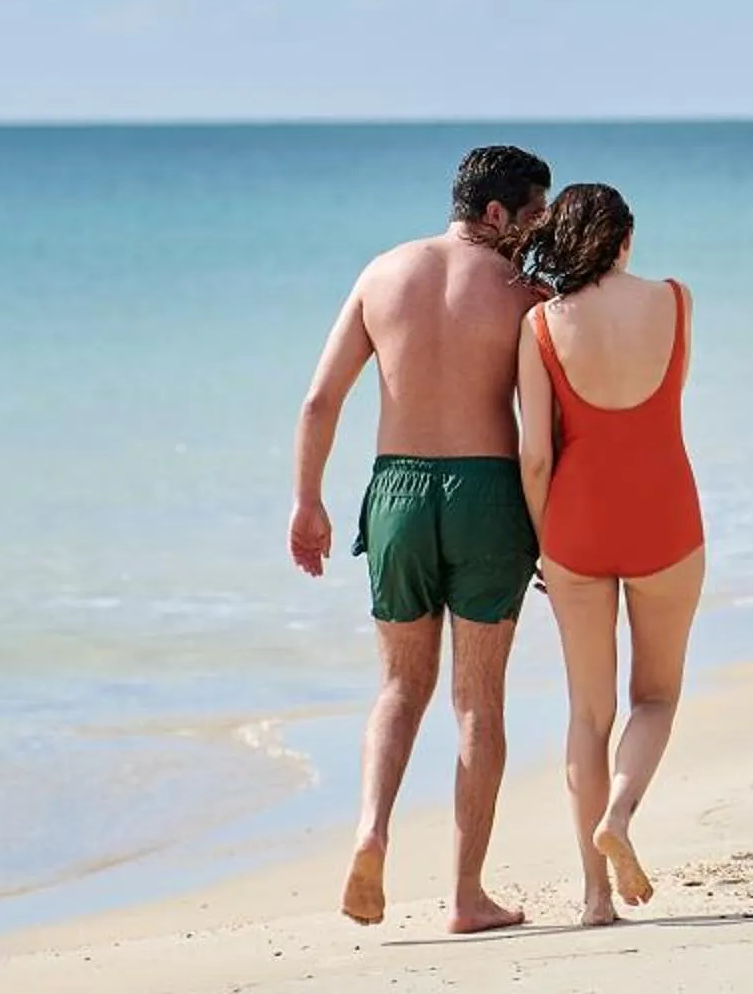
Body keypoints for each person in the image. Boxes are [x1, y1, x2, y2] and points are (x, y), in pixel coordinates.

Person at [290, 143, 550, 934]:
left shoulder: (382, 272)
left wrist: (308, 503)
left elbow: (317, 402)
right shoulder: (524, 295)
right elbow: (547, 430)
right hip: (487, 492)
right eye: (533, 214)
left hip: (396, 491)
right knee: (479, 702)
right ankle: (467, 897)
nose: (538, 231)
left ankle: (371, 831)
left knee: (400, 687)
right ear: (497, 212)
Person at [513, 183, 706, 927]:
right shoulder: (677, 301)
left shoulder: (539, 326)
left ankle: (595, 898)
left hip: (578, 527)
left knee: (586, 714)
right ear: (624, 239)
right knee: (654, 698)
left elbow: (536, 455)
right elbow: (666, 404)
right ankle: (621, 815)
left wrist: (542, 541)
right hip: (665, 517)